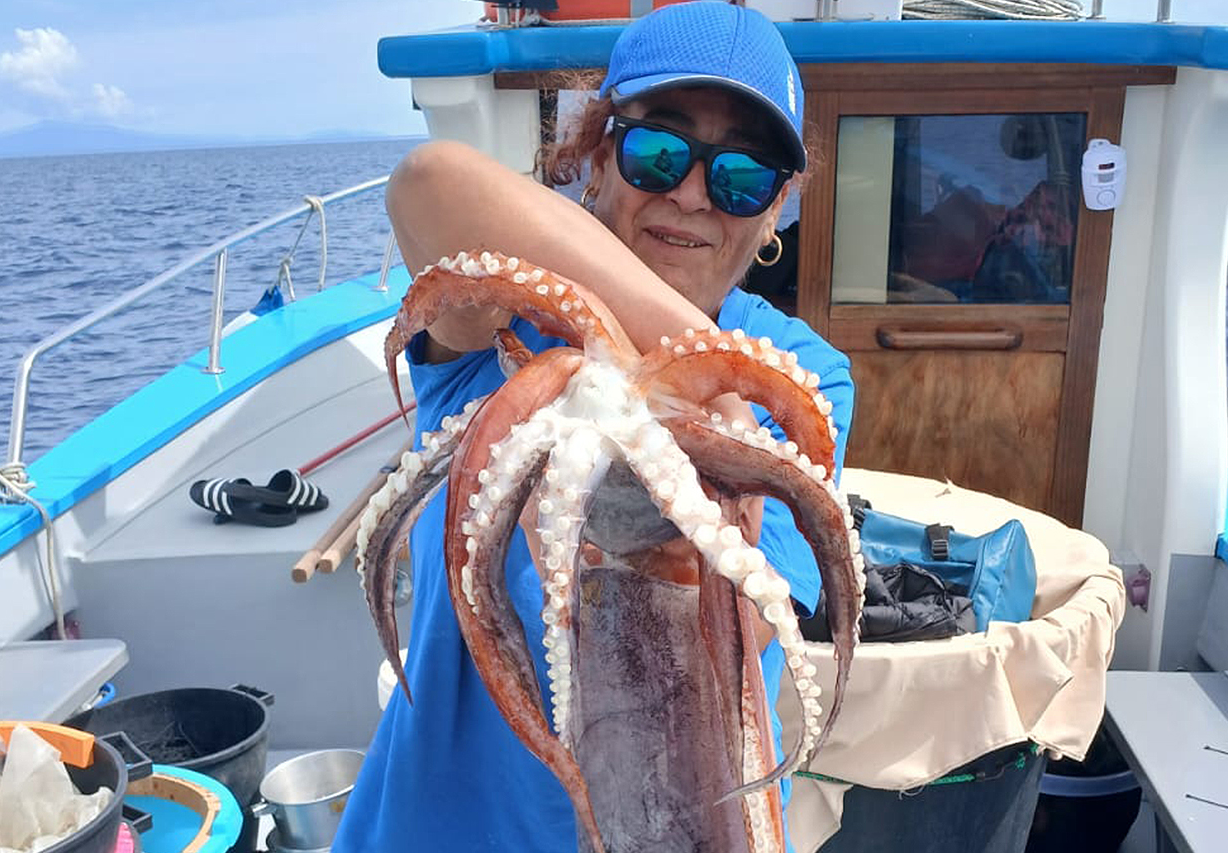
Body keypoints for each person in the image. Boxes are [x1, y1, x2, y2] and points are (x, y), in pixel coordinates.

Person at [333, 3, 854, 850]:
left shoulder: (801, 378)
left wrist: (659, 480)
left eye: (740, 178)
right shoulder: (503, 330)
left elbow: (748, 627)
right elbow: (429, 180)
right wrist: (710, 370)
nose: (691, 195)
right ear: (600, 154)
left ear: (775, 212)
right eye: (659, 152)